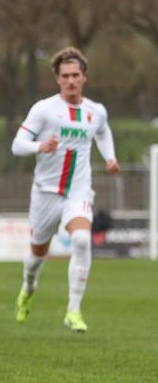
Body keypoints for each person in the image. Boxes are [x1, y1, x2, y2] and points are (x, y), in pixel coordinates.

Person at [10, 46, 120, 332]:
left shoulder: (95, 112)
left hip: (78, 191)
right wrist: (40, 146)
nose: (71, 80)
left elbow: (103, 132)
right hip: (46, 193)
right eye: (65, 76)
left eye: (76, 75)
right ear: (57, 79)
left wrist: (110, 157)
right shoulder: (44, 109)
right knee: (37, 257)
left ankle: (73, 310)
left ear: (84, 77)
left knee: (82, 241)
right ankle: (28, 289)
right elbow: (17, 145)